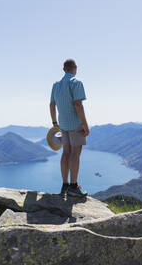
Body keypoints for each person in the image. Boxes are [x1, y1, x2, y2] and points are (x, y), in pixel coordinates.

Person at [49, 59, 90, 197]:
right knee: (75, 153)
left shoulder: (56, 85)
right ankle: (73, 186)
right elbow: (78, 104)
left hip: (63, 124)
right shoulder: (76, 83)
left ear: (64, 69)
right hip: (75, 124)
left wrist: (55, 123)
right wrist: (84, 124)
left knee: (65, 152)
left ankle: (65, 185)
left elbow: (51, 105)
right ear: (75, 68)